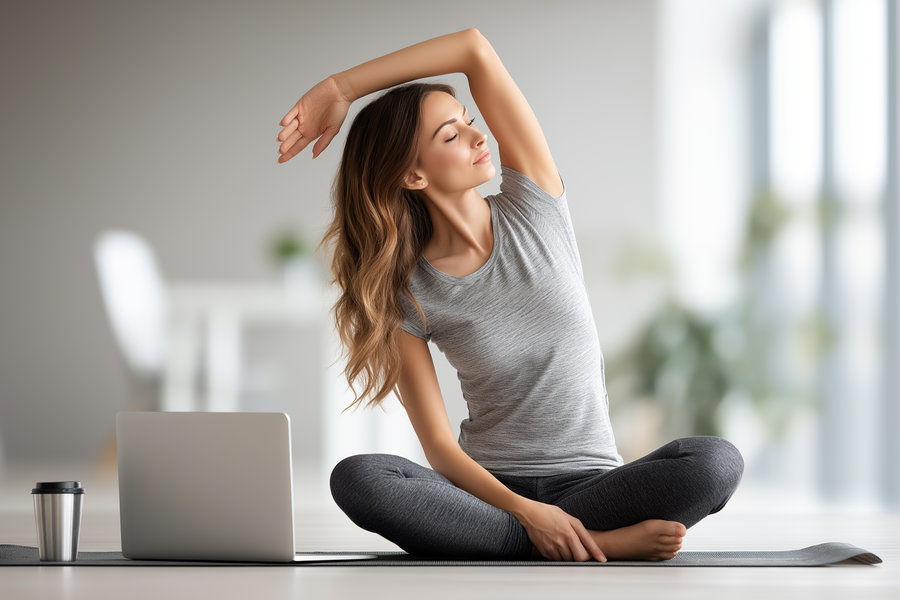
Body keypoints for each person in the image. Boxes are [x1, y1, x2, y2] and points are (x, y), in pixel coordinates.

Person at [275, 28, 744, 562]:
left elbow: (474, 49)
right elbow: (439, 450)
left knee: (715, 462)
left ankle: (538, 542)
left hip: (591, 487)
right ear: (412, 174)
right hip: (486, 494)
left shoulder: (534, 203)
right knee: (359, 478)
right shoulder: (405, 288)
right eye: (450, 136)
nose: (478, 138)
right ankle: (594, 546)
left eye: (469, 122)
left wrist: (342, 87)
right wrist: (526, 512)